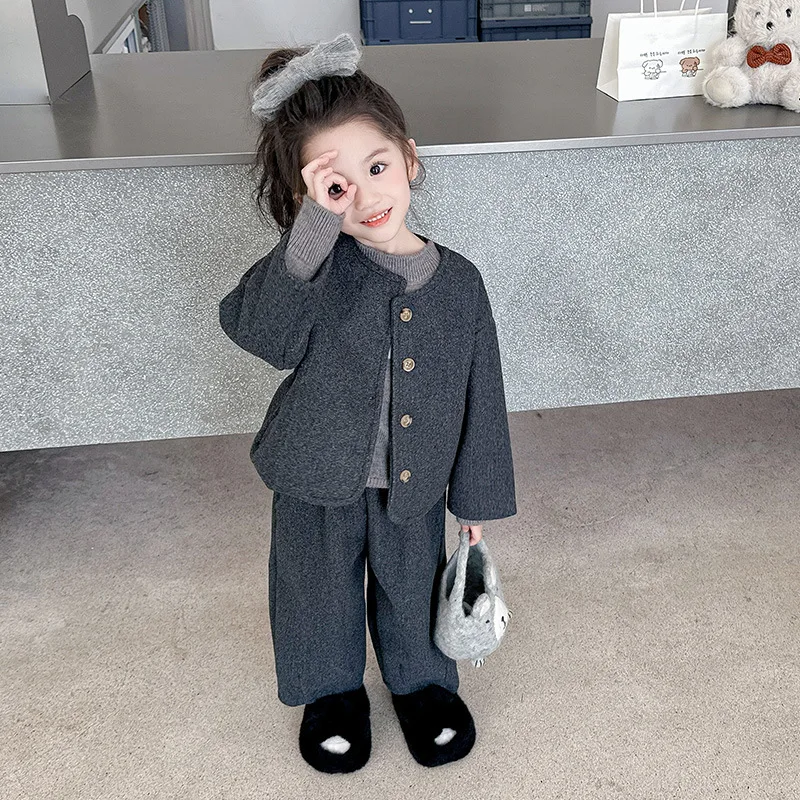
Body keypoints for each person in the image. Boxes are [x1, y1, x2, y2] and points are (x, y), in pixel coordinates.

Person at [219, 33, 516, 774]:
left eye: (376, 168)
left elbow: (482, 396)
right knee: (316, 589)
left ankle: (421, 684)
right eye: (337, 186)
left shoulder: (461, 284)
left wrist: (475, 500)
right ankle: (331, 694)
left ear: (409, 159)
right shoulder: (316, 267)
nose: (366, 195)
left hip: (413, 484)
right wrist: (312, 233)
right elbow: (261, 335)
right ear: (311, 200)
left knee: (412, 583)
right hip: (313, 473)